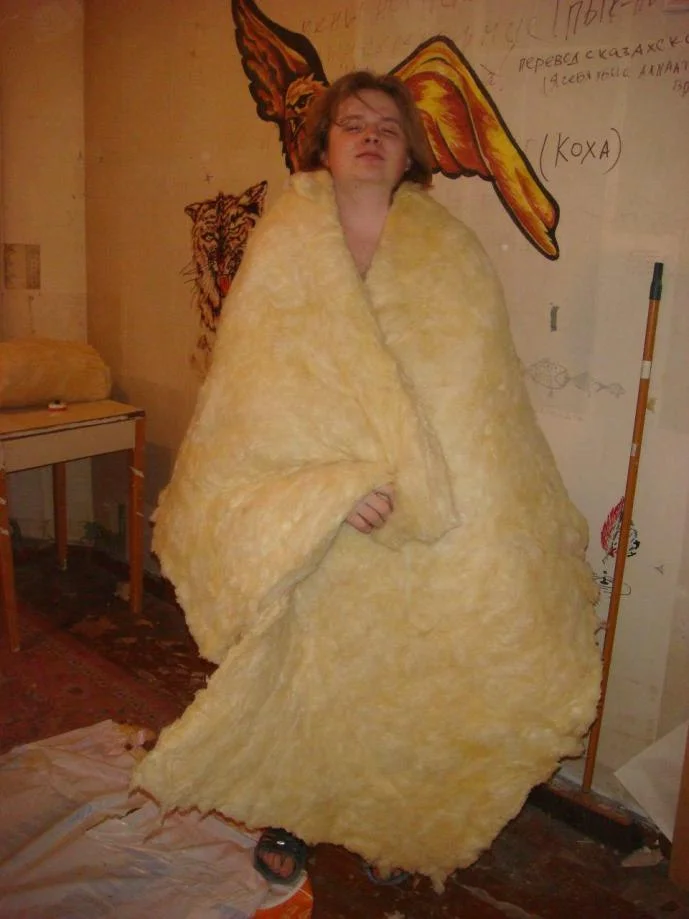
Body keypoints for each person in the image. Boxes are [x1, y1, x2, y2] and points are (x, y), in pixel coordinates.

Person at [133, 71, 601, 892]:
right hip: (317, 517)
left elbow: (479, 404)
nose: (371, 135)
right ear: (322, 143)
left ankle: (393, 817)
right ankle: (294, 811)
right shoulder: (284, 245)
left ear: (409, 150)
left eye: (388, 125)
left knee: (404, 677)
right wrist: (328, 491)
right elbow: (254, 399)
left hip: (424, 515)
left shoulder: (450, 254)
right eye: (352, 122)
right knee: (304, 674)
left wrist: (430, 499)